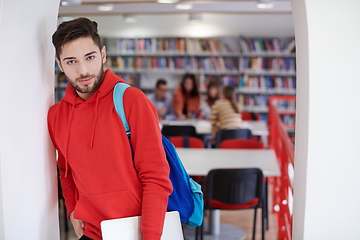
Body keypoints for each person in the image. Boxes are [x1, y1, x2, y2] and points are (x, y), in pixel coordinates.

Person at [48, 17, 172, 240]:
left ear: (103, 55)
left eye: (90, 57)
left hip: (135, 230)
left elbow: (155, 176)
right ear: (59, 64)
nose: (83, 70)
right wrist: (73, 210)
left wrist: (151, 235)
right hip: (92, 231)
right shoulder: (56, 115)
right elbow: (65, 171)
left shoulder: (131, 101)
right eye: (71, 61)